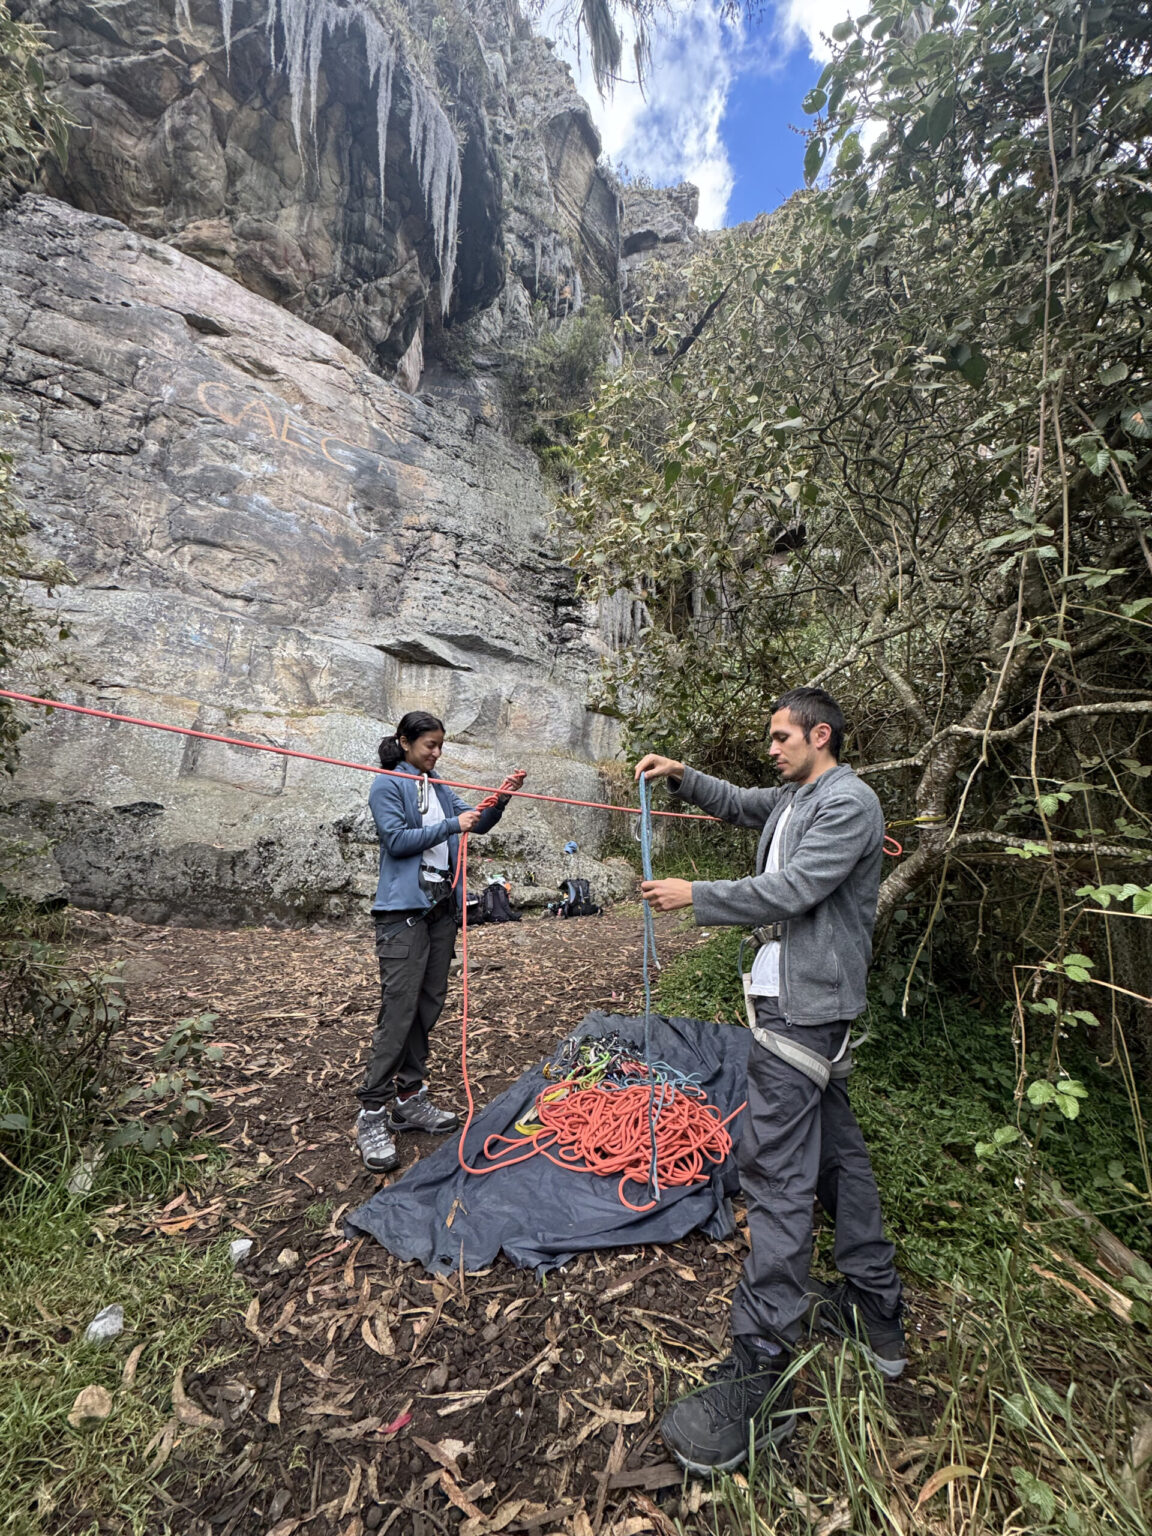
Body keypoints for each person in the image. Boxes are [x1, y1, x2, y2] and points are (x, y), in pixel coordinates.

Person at [635, 686, 905, 1474]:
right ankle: (873, 1312)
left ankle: (762, 1369)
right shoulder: (800, 795)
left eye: (784, 736)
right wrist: (684, 775)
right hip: (797, 1006)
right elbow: (748, 803)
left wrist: (699, 897)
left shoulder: (849, 803)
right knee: (835, 1158)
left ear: (821, 735)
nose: (773, 748)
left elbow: (797, 890)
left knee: (777, 1173)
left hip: (804, 1012)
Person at [356, 711, 525, 1174]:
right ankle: (372, 1111)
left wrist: (502, 797)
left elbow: (477, 823)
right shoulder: (387, 783)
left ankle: (410, 1098)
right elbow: (396, 840)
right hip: (402, 914)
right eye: (429, 745)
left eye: (439, 745)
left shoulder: (438, 787)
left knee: (428, 1004)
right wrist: (454, 825)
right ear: (405, 742)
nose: (436, 752)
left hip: (439, 913)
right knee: (400, 1009)